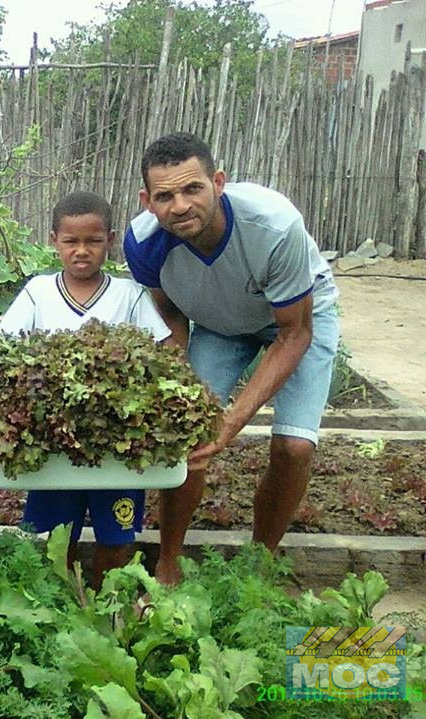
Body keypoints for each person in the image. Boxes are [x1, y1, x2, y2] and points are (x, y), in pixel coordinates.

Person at [123, 131, 340, 585]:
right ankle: (168, 563)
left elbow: (294, 333)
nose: (180, 205)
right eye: (165, 195)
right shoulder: (143, 243)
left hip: (297, 315)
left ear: (218, 182)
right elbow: (168, 311)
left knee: (294, 446)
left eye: (192, 188)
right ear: (147, 200)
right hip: (219, 325)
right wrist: (181, 384)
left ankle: (258, 563)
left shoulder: (274, 226)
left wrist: (233, 419)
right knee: (190, 438)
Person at [0, 191, 171, 589]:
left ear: (109, 241)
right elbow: (5, 349)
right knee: (55, 541)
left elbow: (165, 356)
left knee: (117, 539)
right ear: (53, 240)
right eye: (70, 241)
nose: (81, 251)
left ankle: (105, 608)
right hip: (53, 447)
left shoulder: (129, 296)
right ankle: (64, 605)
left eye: (93, 241)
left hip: (117, 448)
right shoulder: (37, 292)